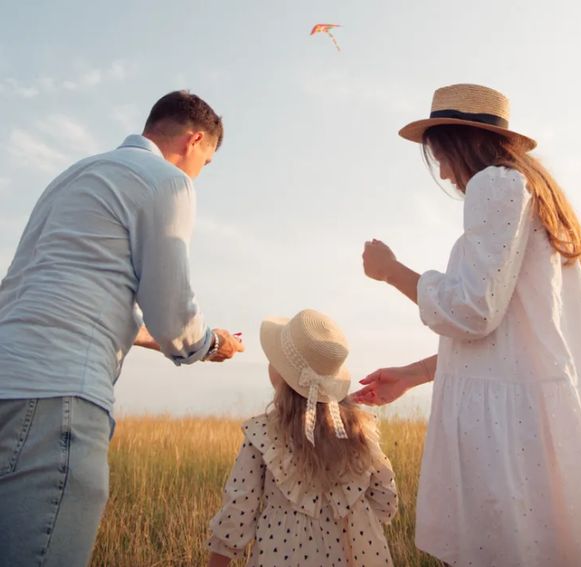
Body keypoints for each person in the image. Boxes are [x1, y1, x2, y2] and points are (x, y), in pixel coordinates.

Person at [353, 83, 581, 566]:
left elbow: (474, 310)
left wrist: (392, 271)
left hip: (507, 435)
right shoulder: (539, 201)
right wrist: (412, 375)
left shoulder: (495, 184)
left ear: (457, 143)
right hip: (537, 423)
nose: (443, 172)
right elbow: (510, 338)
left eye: (439, 155)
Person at [0, 90, 244, 567]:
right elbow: (173, 312)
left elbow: (65, 298)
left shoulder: (72, 177)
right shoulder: (167, 182)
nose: (200, 174)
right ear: (195, 141)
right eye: (207, 162)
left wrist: (161, 339)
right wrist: (210, 342)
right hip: (59, 398)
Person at [207, 309, 398, 566]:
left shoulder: (263, 434)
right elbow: (386, 500)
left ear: (284, 376)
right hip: (360, 551)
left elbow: (237, 512)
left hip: (284, 553)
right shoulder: (361, 431)